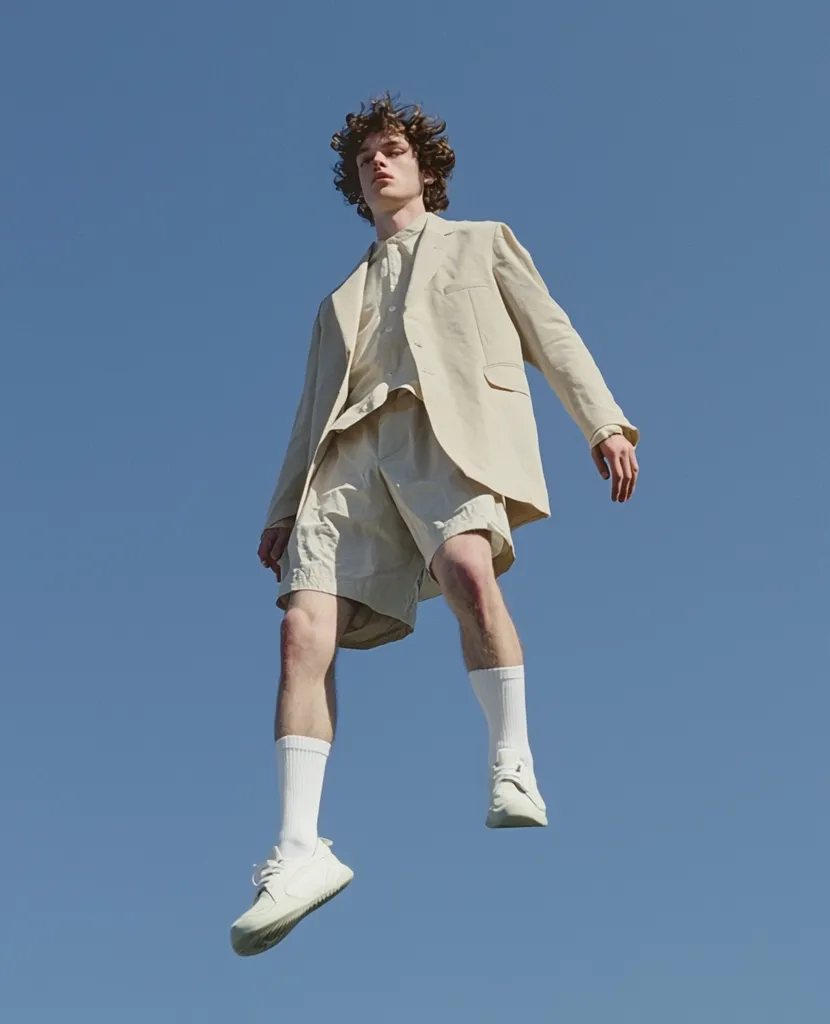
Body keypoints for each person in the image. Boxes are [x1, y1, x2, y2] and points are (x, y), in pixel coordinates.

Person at [230, 94, 640, 956]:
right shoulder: (335, 300)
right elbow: (309, 412)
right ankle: (298, 849)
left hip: (443, 428)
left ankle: (511, 759)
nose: (378, 165)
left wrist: (602, 421)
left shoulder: (482, 241)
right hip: (344, 461)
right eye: (364, 159)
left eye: (391, 151)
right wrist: (279, 510)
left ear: (423, 167)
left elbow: (550, 332)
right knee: (302, 633)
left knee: (465, 569)